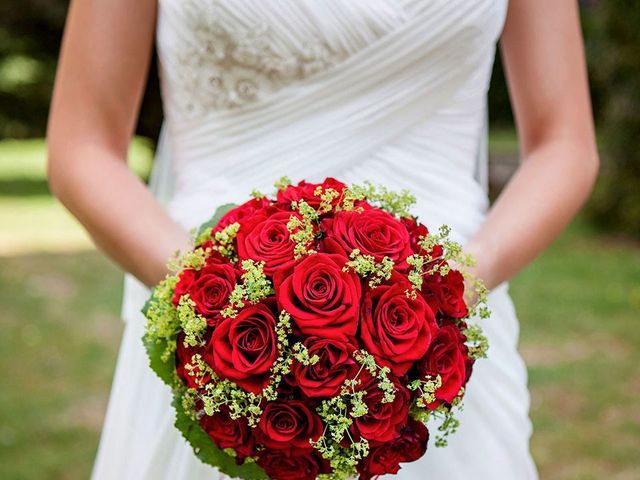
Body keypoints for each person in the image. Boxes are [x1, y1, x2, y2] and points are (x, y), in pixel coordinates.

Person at [46, 0, 599, 478]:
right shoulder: (211, 309)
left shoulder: (443, 303)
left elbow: (564, 143)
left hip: (435, 338)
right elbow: (83, 145)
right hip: (211, 330)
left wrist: (447, 291)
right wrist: (212, 300)